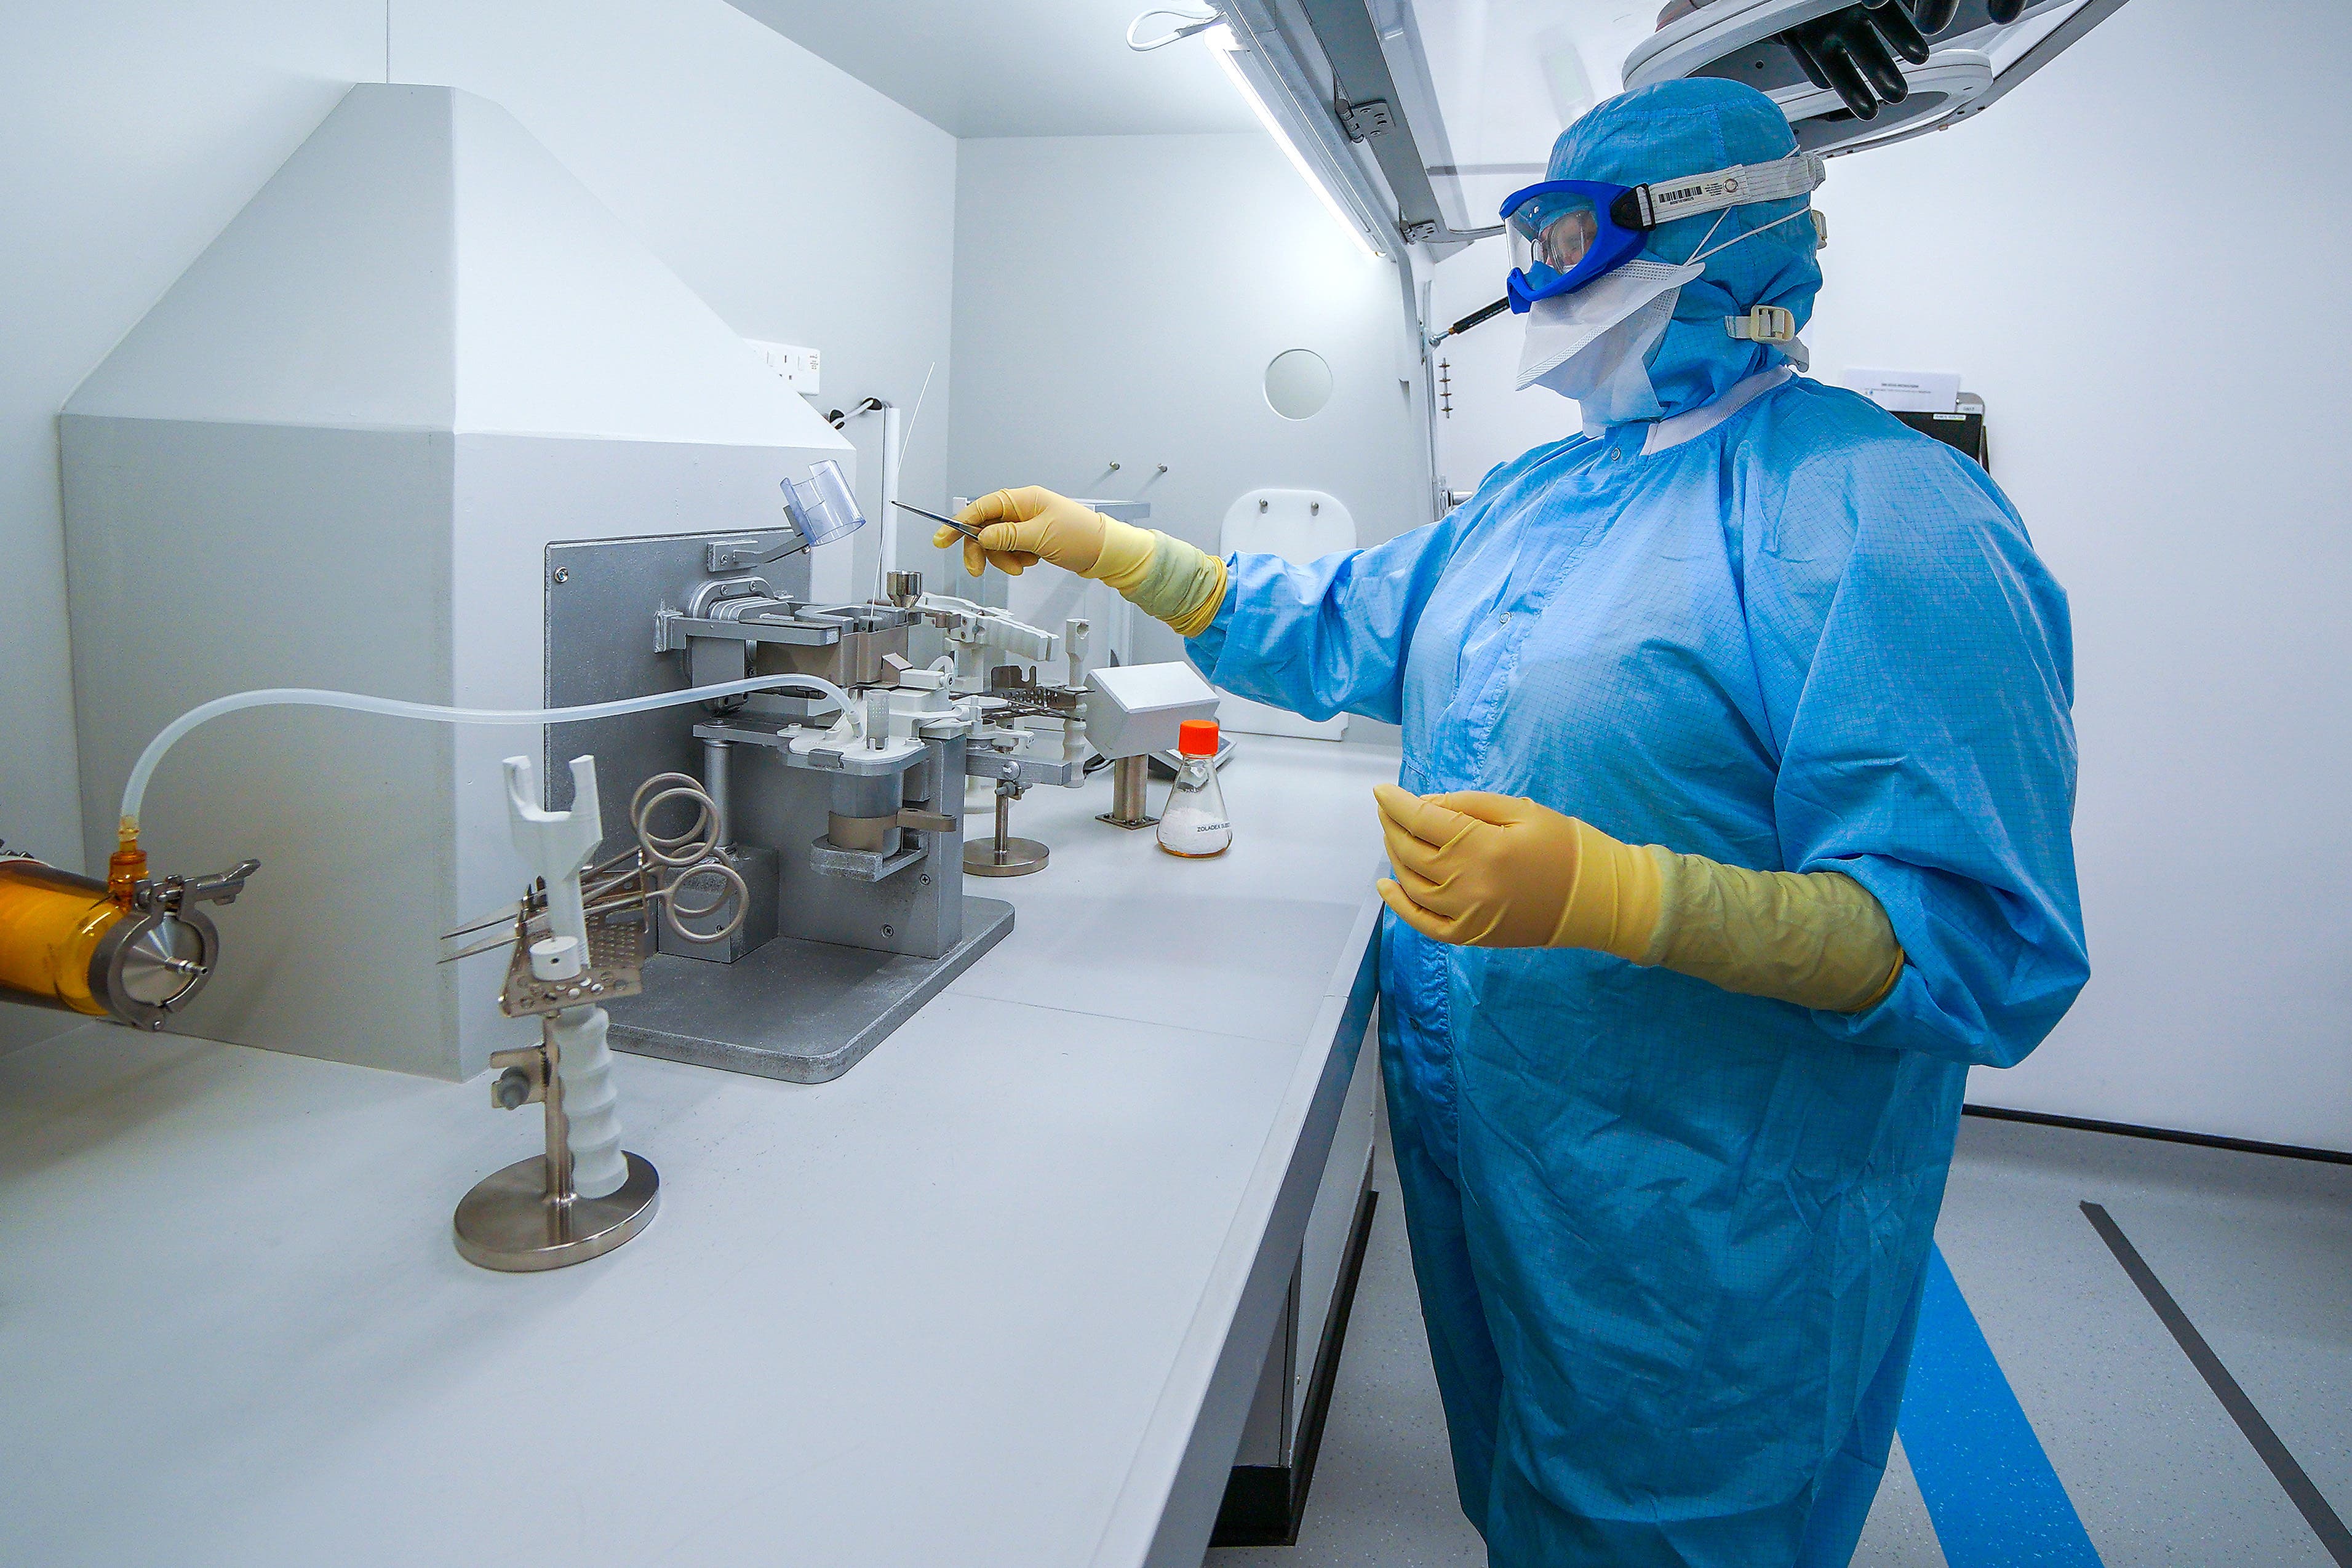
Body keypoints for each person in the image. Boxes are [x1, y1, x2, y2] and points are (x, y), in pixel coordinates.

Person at [939, 76, 2086, 1568]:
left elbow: (1975, 940)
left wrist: (1621, 899)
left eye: (1559, 235)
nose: (1533, 281)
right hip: (1509, 1150)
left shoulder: (1886, 513)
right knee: (1533, 1501)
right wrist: (1114, 551)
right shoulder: (1537, 495)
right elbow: (1341, 627)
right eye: (1522, 238)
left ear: (1715, 243)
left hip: (1708, 1226)